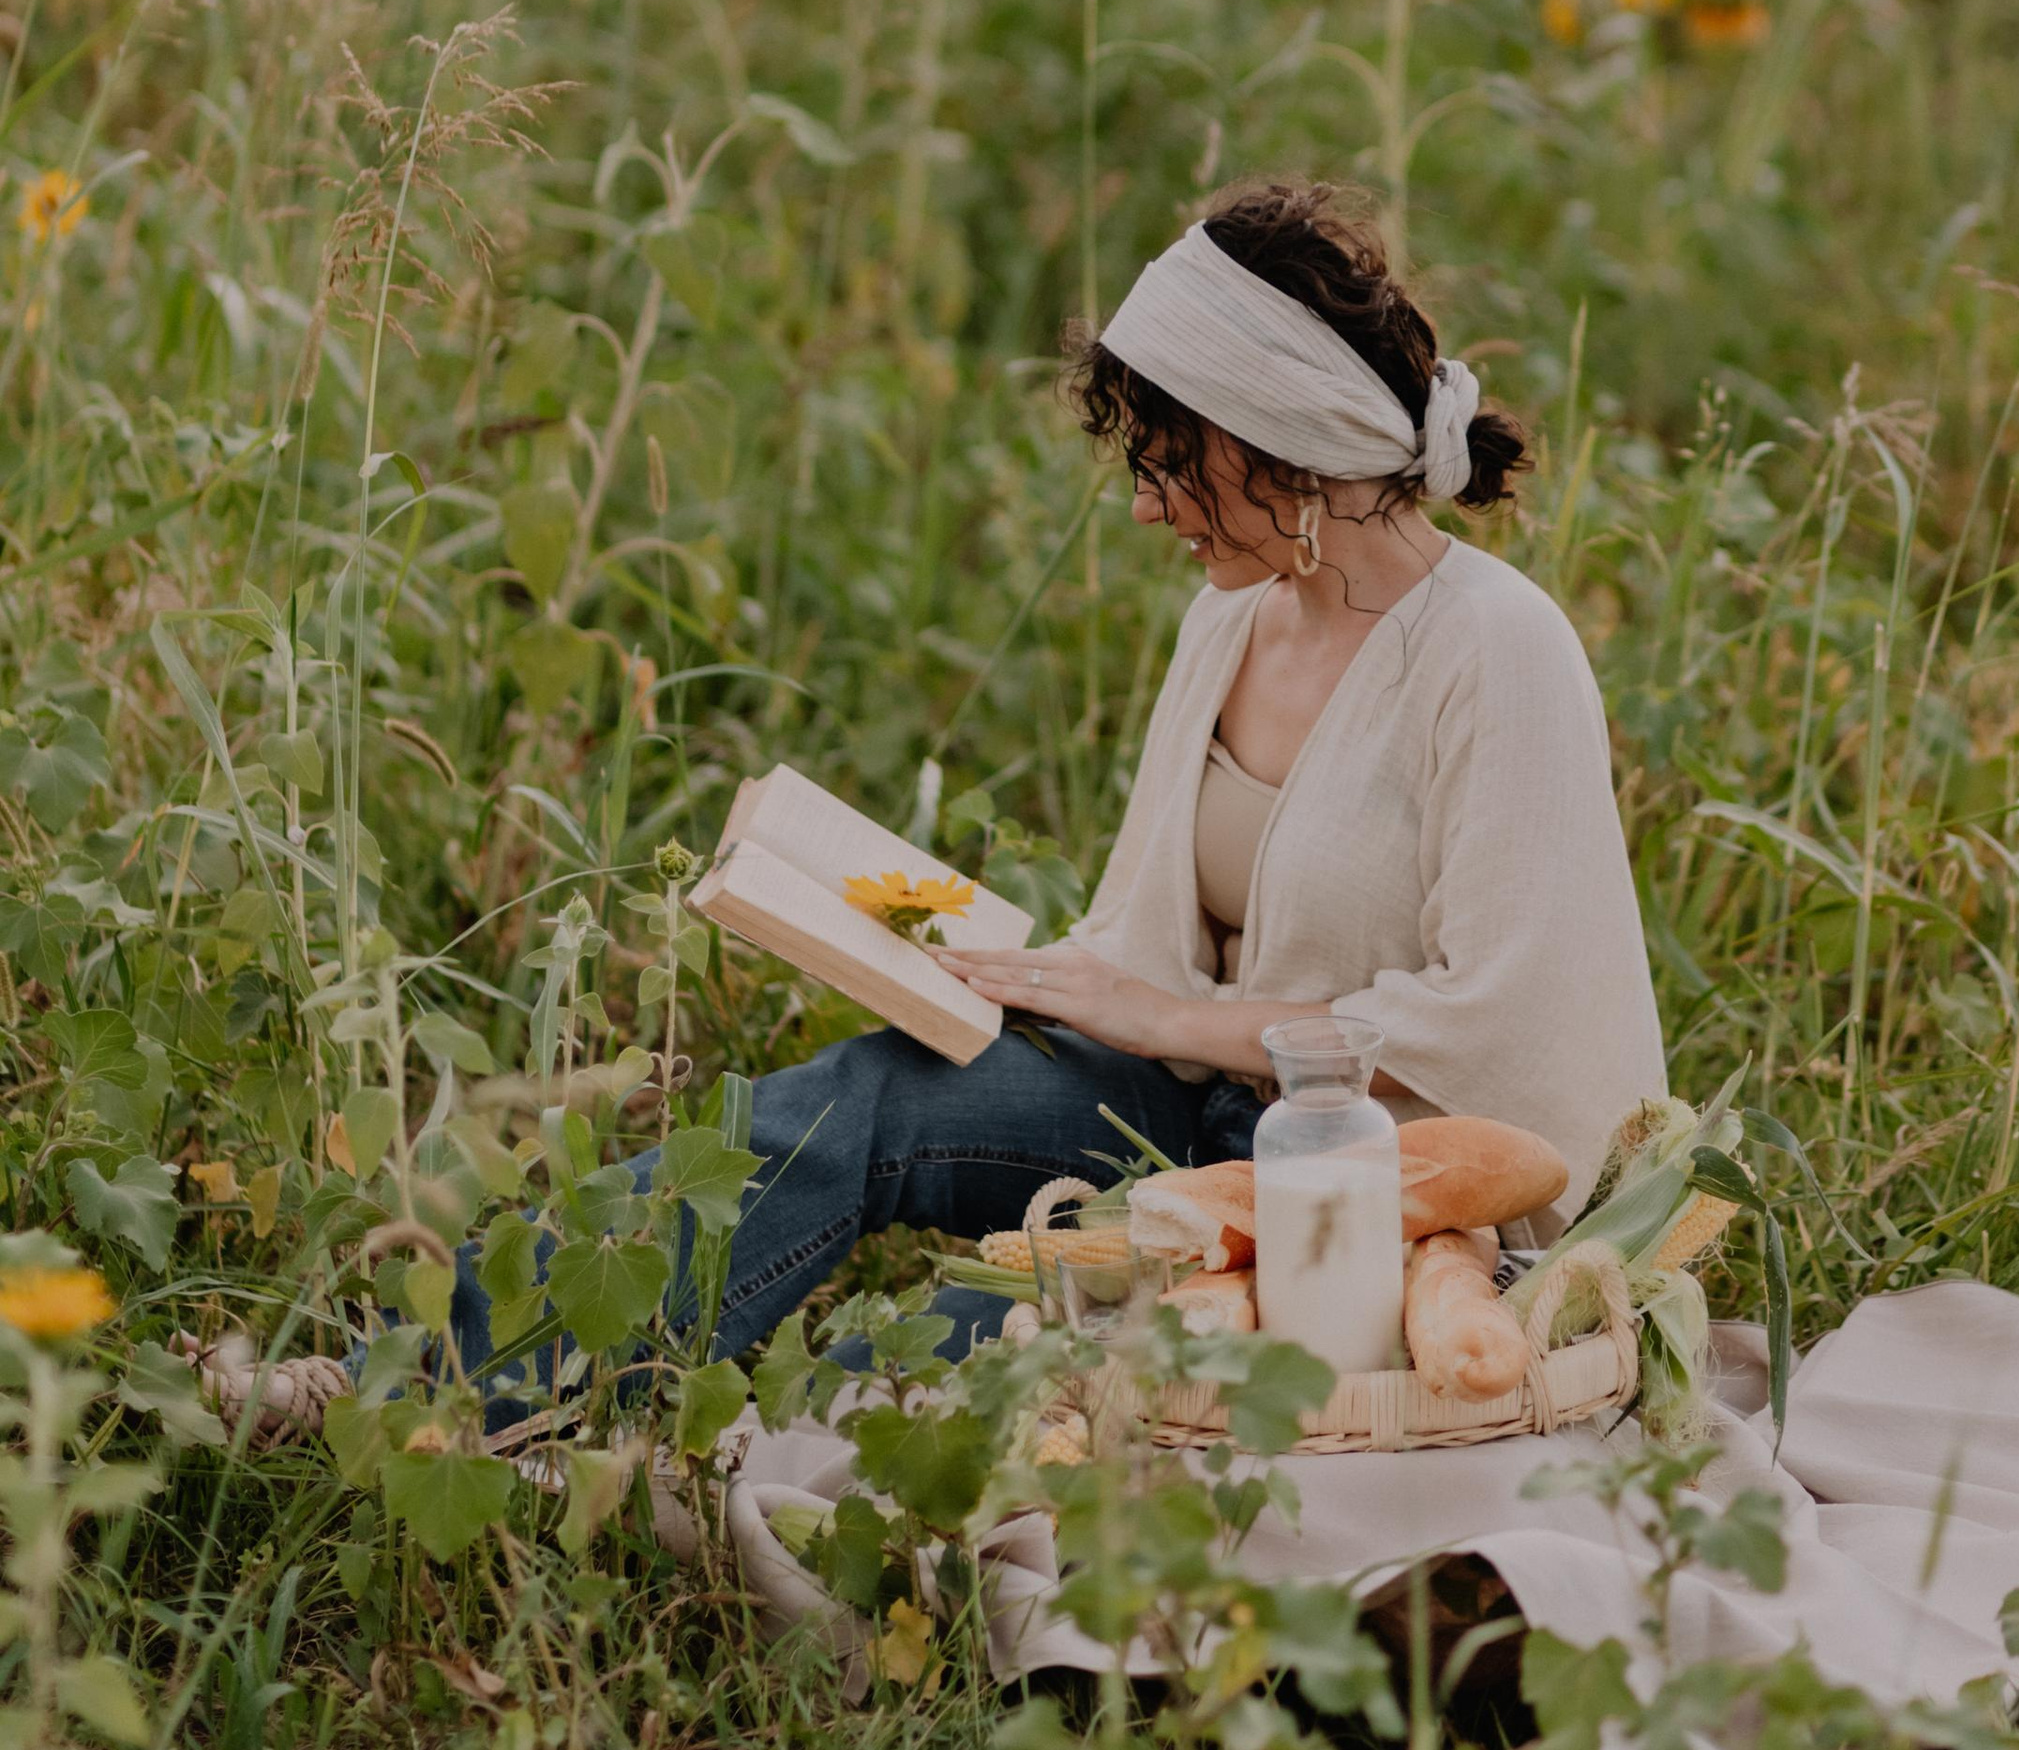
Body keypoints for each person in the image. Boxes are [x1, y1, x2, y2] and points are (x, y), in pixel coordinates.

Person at [205, 178, 1666, 1433]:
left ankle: (656, 1456)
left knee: (954, 1363)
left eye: (1169, 462)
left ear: (1276, 441)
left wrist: (1166, 1024)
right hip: (1210, 1115)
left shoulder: (1495, 647)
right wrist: (975, 968)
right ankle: (413, 1395)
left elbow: (1498, 1036)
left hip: (1386, 1185)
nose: (1148, 505)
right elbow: (1162, 953)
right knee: (858, 1101)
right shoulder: (1237, 620)